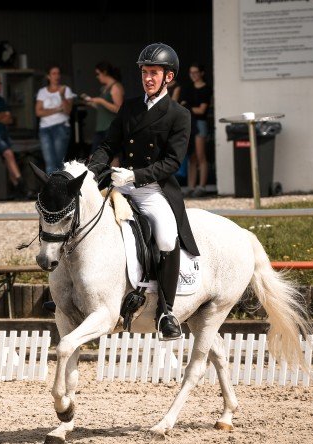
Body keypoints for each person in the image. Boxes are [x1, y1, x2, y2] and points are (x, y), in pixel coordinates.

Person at [88, 42, 201, 340]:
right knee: (83, 221)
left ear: (169, 77)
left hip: (152, 190)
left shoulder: (179, 115)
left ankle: (167, 311)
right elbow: (109, 145)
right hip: (120, 187)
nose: (148, 78)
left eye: (154, 73)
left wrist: (135, 175)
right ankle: (75, 294)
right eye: (144, 72)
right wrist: (92, 170)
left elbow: (172, 163)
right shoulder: (130, 107)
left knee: (165, 235)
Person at [35, 65, 75, 174]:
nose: (56, 76)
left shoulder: (66, 90)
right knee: (49, 163)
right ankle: (52, 190)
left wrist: (62, 96)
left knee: (58, 162)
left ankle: (60, 188)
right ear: (48, 76)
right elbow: (38, 112)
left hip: (61, 127)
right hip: (45, 129)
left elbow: (67, 111)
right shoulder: (42, 92)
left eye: (58, 73)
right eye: (53, 73)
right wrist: (57, 109)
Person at [181, 63, 212, 197]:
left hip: (200, 123)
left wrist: (188, 107)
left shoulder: (206, 89)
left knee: (201, 155)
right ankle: (191, 186)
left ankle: (202, 186)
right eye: (191, 73)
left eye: (195, 72)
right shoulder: (188, 88)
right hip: (190, 123)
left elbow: (202, 110)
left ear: (201, 73)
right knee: (191, 157)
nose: (193, 75)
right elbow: (182, 105)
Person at [86, 61, 125, 155]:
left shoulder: (115, 87)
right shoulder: (104, 88)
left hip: (110, 128)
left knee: (110, 157)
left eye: (98, 74)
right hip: (101, 128)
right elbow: (104, 109)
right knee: (94, 156)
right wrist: (93, 103)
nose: (97, 76)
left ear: (104, 73)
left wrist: (101, 101)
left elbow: (119, 109)